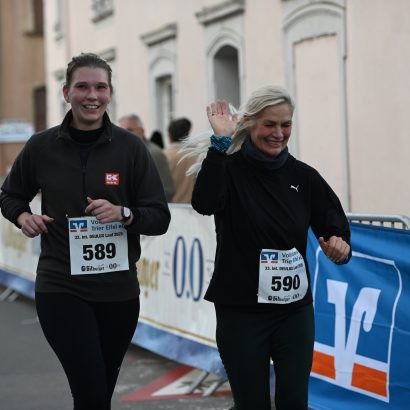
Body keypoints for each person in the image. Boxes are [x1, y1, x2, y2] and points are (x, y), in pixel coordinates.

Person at [0, 52, 171, 410]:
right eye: (82, 87)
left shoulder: (130, 148)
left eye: (100, 87)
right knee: (91, 392)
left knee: (98, 395)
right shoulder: (41, 146)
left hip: (118, 290)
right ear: (66, 93)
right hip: (61, 286)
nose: (91, 95)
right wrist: (23, 217)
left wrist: (124, 213)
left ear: (110, 93)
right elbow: (10, 195)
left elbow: (159, 217)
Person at [190, 85, 351, 410]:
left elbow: (335, 226)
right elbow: (204, 203)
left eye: (286, 124)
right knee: (252, 404)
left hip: (293, 311)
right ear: (249, 123)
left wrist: (340, 245)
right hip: (241, 312)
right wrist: (220, 143)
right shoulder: (228, 168)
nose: (279, 134)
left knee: (295, 402)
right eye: (270, 124)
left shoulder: (304, 177)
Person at [118, 114, 175, 202]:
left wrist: (148, 208)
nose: (124, 134)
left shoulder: (153, 153)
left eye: (129, 130)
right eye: (121, 131)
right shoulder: (125, 152)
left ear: (142, 132)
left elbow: (167, 190)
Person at [164, 117, 197, 203]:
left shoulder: (164, 155)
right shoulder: (197, 155)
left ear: (169, 135)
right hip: (194, 206)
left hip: (171, 206)